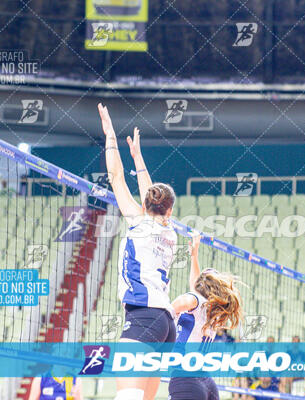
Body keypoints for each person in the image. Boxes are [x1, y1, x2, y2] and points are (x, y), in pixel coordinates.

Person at [98, 104, 177, 400]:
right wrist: (139, 159)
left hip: (143, 318)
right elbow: (149, 194)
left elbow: (116, 177)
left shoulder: (140, 223)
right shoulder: (170, 231)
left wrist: (109, 135)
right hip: (166, 324)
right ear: (169, 211)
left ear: (145, 206)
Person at [168, 235, 243, 400]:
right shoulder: (213, 310)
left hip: (185, 376)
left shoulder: (194, 301)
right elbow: (195, 285)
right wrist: (194, 255)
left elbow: (185, 299)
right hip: (207, 382)